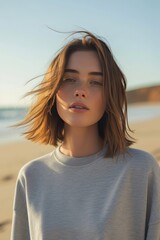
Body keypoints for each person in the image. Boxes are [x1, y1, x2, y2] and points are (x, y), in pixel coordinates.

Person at [11, 31, 160, 240]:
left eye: (96, 82)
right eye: (70, 79)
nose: (81, 91)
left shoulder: (141, 169)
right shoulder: (31, 176)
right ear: (54, 90)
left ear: (110, 95)